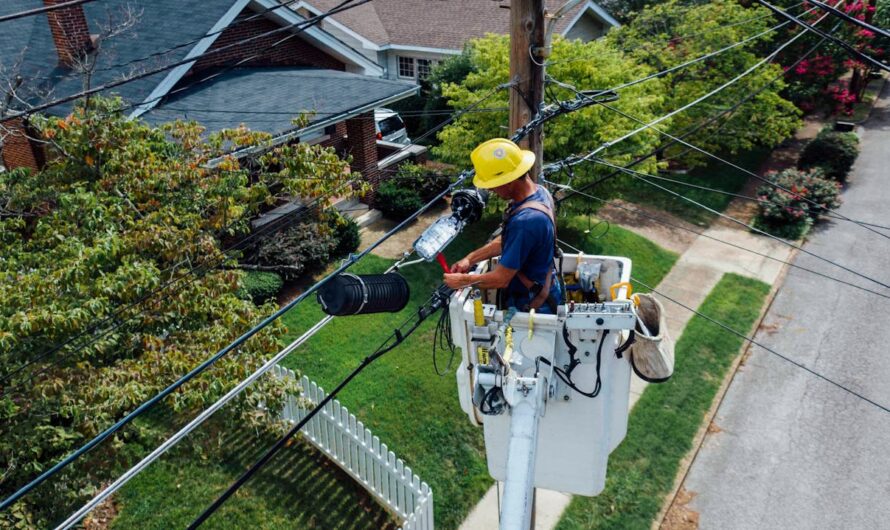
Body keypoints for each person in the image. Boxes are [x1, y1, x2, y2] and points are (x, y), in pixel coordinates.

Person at [443, 138, 561, 313]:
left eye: (493, 185)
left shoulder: (526, 221)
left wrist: (462, 281)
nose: (490, 190)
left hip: (533, 304)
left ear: (508, 181)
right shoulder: (539, 193)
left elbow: (500, 279)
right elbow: (507, 241)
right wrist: (470, 258)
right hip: (543, 288)